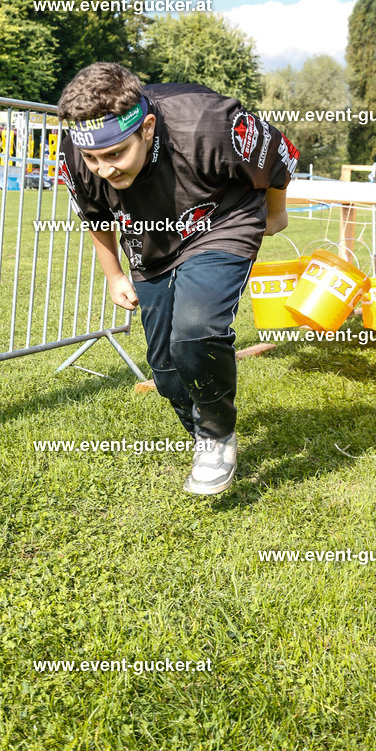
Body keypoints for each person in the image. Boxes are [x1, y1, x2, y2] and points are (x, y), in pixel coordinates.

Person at [57, 62, 298, 495]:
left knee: (195, 330)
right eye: (93, 159)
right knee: (167, 370)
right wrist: (114, 275)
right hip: (150, 240)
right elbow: (95, 215)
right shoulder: (77, 150)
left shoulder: (209, 123)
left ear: (147, 128)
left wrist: (275, 214)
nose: (104, 169)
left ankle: (216, 436)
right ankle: (202, 429)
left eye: (115, 154)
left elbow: (276, 154)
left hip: (222, 220)